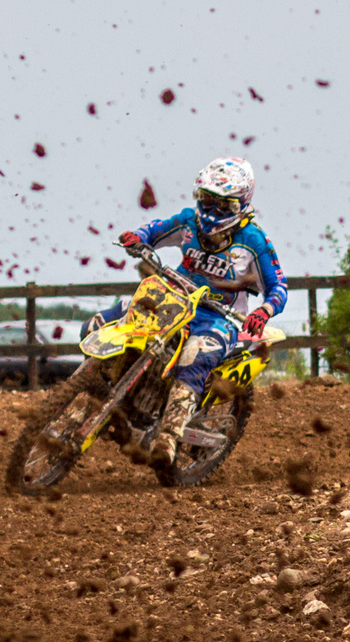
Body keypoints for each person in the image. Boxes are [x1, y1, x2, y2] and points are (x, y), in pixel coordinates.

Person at [114, 157, 287, 465]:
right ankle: (96, 387)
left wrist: (264, 311)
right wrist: (137, 237)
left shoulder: (254, 241)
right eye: (208, 199)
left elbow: (278, 287)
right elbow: (154, 230)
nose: (212, 210)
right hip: (174, 300)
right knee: (119, 314)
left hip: (218, 318)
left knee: (193, 354)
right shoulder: (188, 222)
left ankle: (166, 439)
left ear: (240, 204)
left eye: (223, 205)